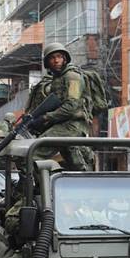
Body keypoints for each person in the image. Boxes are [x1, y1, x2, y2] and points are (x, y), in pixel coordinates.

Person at [24, 43, 93, 171]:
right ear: (47, 62)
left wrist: (45, 118)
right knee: (75, 165)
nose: (56, 60)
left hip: (72, 125)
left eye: (59, 56)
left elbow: (71, 106)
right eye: (52, 58)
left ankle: (40, 186)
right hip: (63, 125)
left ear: (65, 58)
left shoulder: (73, 77)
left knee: (33, 153)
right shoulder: (57, 79)